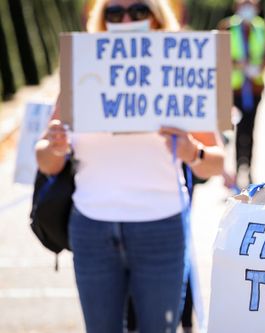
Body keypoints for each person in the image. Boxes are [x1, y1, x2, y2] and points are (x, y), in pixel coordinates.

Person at [35, 0, 225, 332]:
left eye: (138, 11)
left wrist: (192, 152)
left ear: (156, 18)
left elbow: (215, 163)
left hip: (161, 227)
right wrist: (55, 146)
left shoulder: (180, 73)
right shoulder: (83, 69)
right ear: (101, 20)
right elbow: (45, 161)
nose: (125, 19)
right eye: (113, 12)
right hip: (91, 227)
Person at [218, 0, 265, 188]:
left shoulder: (262, 27)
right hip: (234, 89)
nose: (248, 8)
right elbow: (218, 54)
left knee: (249, 130)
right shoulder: (228, 26)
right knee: (234, 131)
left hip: (255, 87)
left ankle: (248, 169)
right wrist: (236, 64)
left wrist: (259, 68)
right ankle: (234, 169)